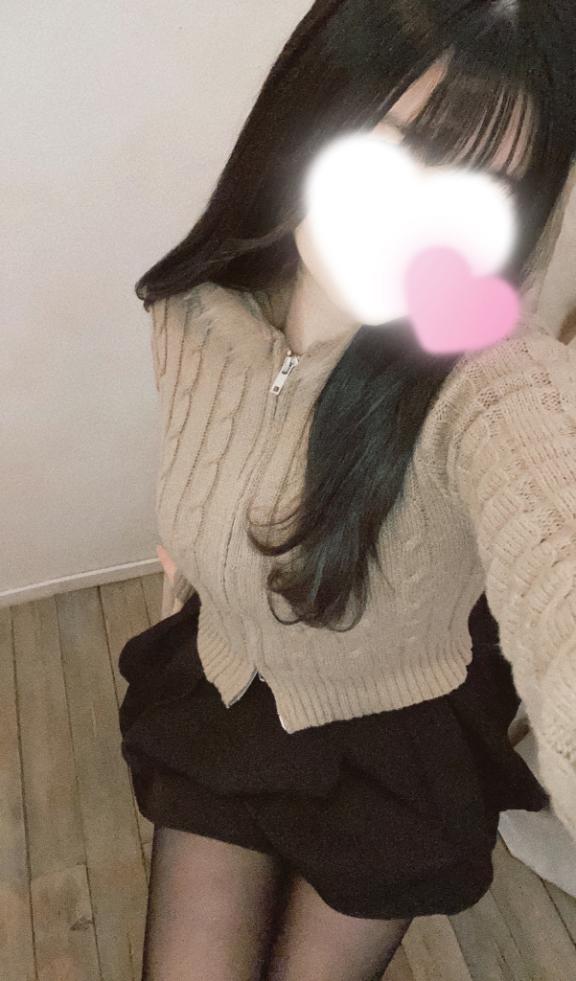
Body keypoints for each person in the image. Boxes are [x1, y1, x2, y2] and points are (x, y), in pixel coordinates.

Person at [119, 2, 576, 979]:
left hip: (400, 750)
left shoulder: (485, 379)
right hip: (226, 688)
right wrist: (195, 568)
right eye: (407, 146)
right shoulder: (190, 312)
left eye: (487, 188)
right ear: (307, 117)